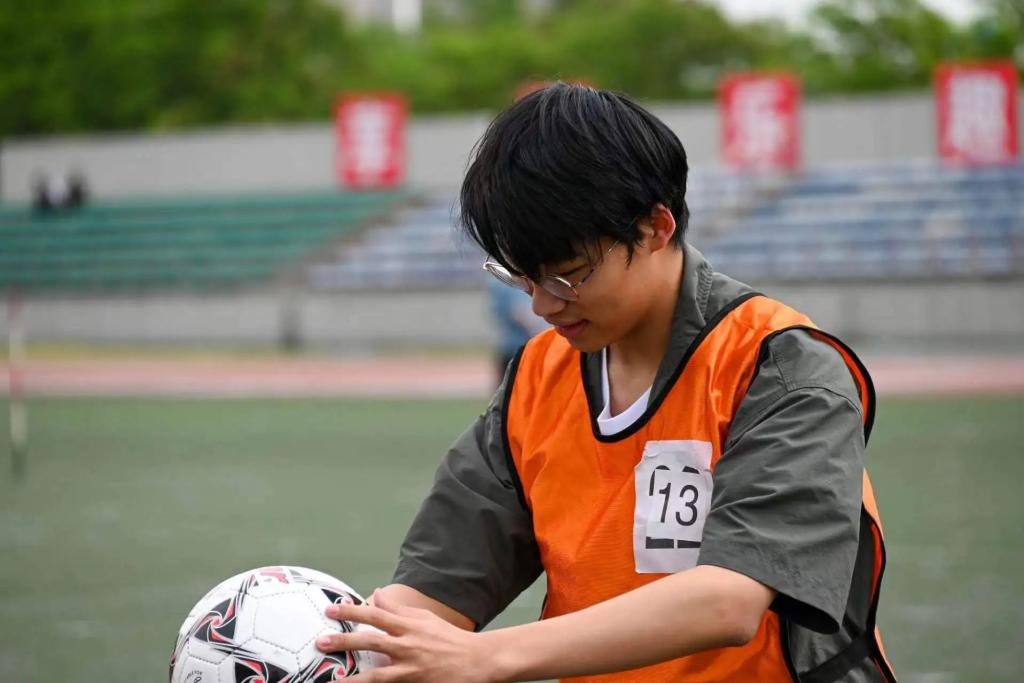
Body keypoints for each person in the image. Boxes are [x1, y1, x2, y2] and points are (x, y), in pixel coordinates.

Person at [318, 83, 897, 682]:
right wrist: (353, 648)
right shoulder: (538, 375)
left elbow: (729, 600)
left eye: (568, 276)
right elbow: (442, 579)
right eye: (522, 278)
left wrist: (484, 657)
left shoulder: (780, 366)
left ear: (655, 227)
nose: (542, 305)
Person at [488, 275, 547, 386]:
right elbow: (522, 314)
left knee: (508, 392)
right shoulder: (514, 279)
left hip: (509, 346)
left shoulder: (497, 280)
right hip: (524, 350)